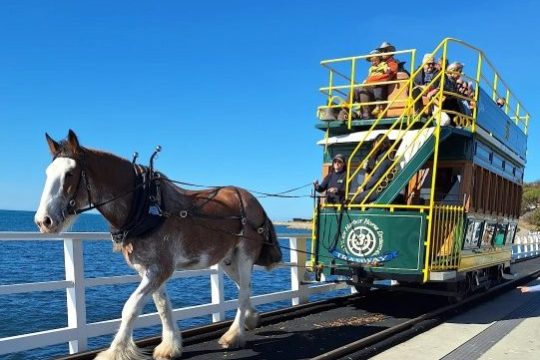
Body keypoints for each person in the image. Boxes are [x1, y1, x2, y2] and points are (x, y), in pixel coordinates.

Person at [351, 135, 395, 203]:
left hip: (380, 189)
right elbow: (369, 171)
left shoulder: (386, 157)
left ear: (382, 143)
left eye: (375, 142)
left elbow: (377, 177)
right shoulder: (376, 157)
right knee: (356, 197)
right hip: (375, 188)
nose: (373, 145)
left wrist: (364, 188)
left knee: (356, 200)